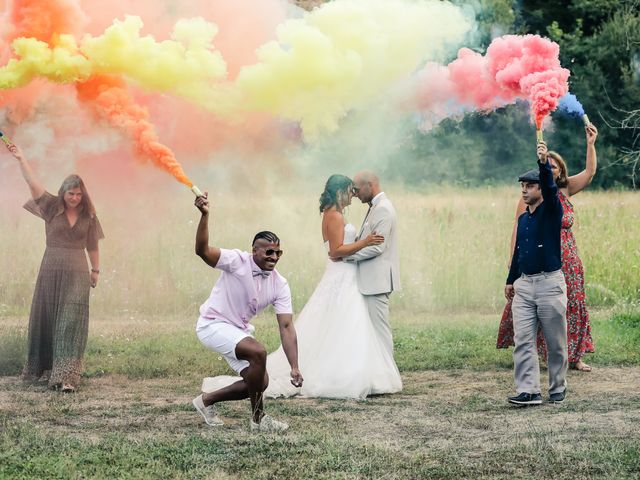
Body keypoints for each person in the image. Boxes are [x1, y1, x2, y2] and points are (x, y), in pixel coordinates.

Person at [264, 174, 403, 399]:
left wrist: (356, 247)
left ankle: (367, 372)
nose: (353, 195)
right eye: (350, 190)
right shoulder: (335, 216)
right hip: (342, 274)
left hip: (344, 275)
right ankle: (350, 374)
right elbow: (336, 251)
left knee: (343, 324)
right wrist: (365, 242)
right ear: (339, 192)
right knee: (346, 323)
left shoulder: (333, 214)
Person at [191, 192, 302, 432]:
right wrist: (204, 215)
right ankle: (259, 420)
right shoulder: (236, 260)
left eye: (278, 252)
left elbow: (286, 326)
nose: (273, 257)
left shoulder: (280, 284)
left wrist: (294, 366)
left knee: (259, 381)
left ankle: (205, 401)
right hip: (212, 325)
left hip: (237, 330)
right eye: (268, 252)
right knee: (258, 352)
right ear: (254, 251)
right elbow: (202, 250)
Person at [498, 124, 598, 372]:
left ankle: (574, 356)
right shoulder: (531, 195)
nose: (550, 169)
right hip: (542, 259)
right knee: (538, 305)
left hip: (569, 258)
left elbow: (590, 173)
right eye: (547, 165)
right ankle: (538, 353)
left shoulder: (565, 190)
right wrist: (513, 260)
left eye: (554, 166)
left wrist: (590, 144)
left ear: (561, 171)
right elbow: (519, 229)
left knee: (572, 304)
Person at [5, 142, 104, 392]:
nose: (75, 198)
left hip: (77, 272)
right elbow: (32, 183)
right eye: (71, 193)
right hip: (50, 268)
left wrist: (95, 270)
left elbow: (93, 245)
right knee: (47, 319)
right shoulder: (50, 206)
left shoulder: (88, 216)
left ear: (84, 195)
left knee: (70, 322)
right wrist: (21, 158)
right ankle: (42, 369)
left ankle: (66, 378)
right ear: (63, 193)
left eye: (79, 194)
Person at [505, 141, 568, 406]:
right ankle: (529, 390)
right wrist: (511, 280)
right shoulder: (523, 219)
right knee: (523, 340)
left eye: (529, 186)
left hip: (549, 283)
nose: (524, 191)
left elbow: (552, 189)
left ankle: (557, 387)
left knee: (555, 342)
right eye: (522, 186)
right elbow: (520, 250)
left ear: (541, 189)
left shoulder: (552, 210)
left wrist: (544, 163)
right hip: (525, 284)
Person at [343, 171, 401, 367]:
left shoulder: (383, 208)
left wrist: (346, 256)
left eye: (357, 189)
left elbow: (378, 247)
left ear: (370, 185)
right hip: (371, 280)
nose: (355, 194)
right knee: (372, 330)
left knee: (380, 330)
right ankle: (377, 371)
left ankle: (387, 374)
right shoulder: (375, 207)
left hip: (377, 281)